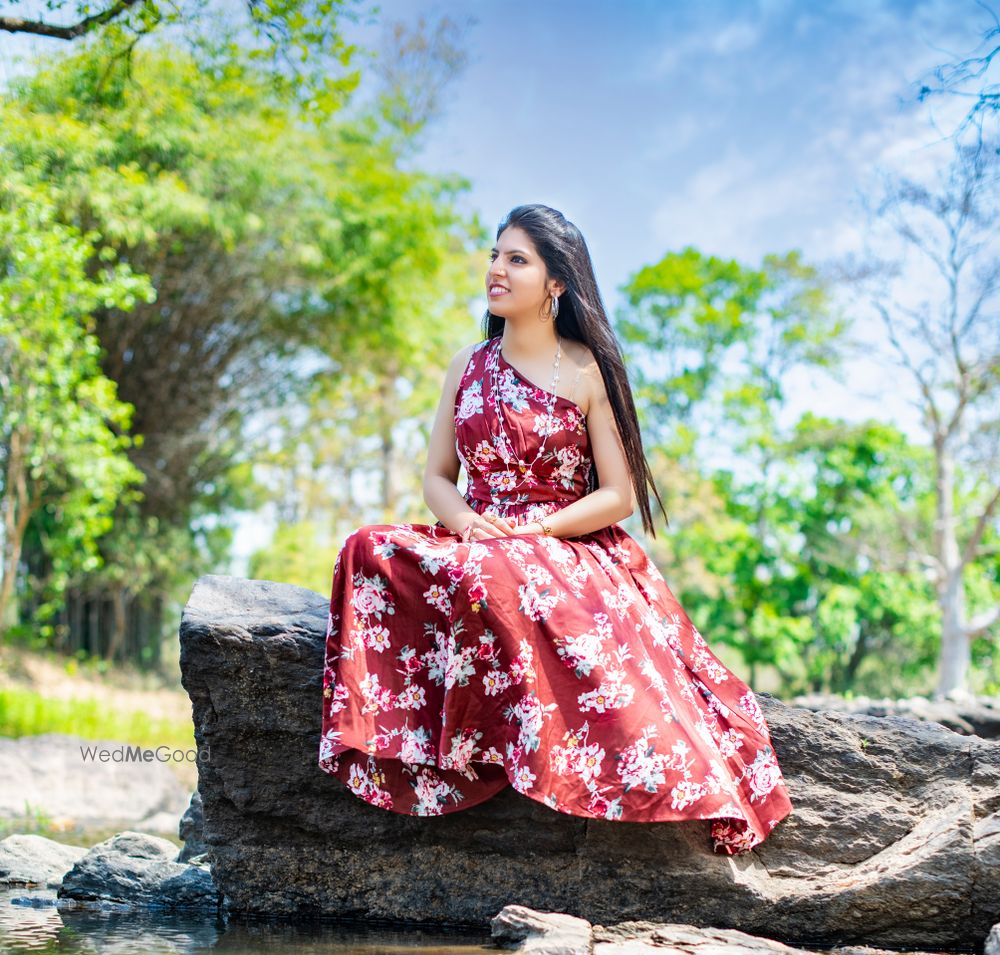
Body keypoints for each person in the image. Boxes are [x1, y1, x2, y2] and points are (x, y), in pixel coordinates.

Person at [318, 203, 793, 855]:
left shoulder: (587, 371)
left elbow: (619, 495)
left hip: (560, 542)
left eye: (516, 259)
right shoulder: (466, 365)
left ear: (556, 283)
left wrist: (537, 530)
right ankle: (404, 742)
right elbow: (436, 477)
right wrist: (463, 522)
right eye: (494, 255)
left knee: (495, 573)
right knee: (364, 546)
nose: (496, 269)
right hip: (474, 534)